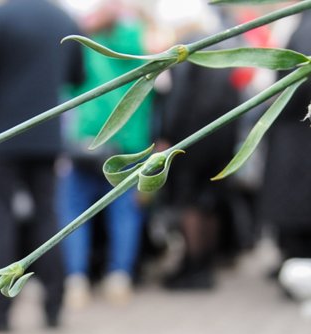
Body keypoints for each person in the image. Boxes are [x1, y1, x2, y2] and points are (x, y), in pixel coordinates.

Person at [0, 0, 84, 331]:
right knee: (48, 216)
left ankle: (0, 313)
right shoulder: (64, 17)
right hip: (47, 134)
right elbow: (78, 74)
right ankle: (54, 305)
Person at [58, 2, 152, 308]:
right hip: (129, 142)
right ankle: (119, 276)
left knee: (74, 214)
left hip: (85, 141)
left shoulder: (83, 43)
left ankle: (76, 278)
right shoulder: (140, 45)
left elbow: (69, 92)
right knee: (124, 214)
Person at [158, 11, 240, 291]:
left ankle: (192, 268)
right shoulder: (224, 46)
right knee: (210, 204)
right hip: (221, 137)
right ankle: (205, 266)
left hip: (191, 139)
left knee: (189, 203)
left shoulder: (187, 50)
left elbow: (178, 99)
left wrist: (166, 135)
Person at [261, 10, 311, 266]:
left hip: (297, 135)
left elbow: (294, 87)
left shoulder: (303, 30)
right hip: (298, 132)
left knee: (297, 208)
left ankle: (296, 265)